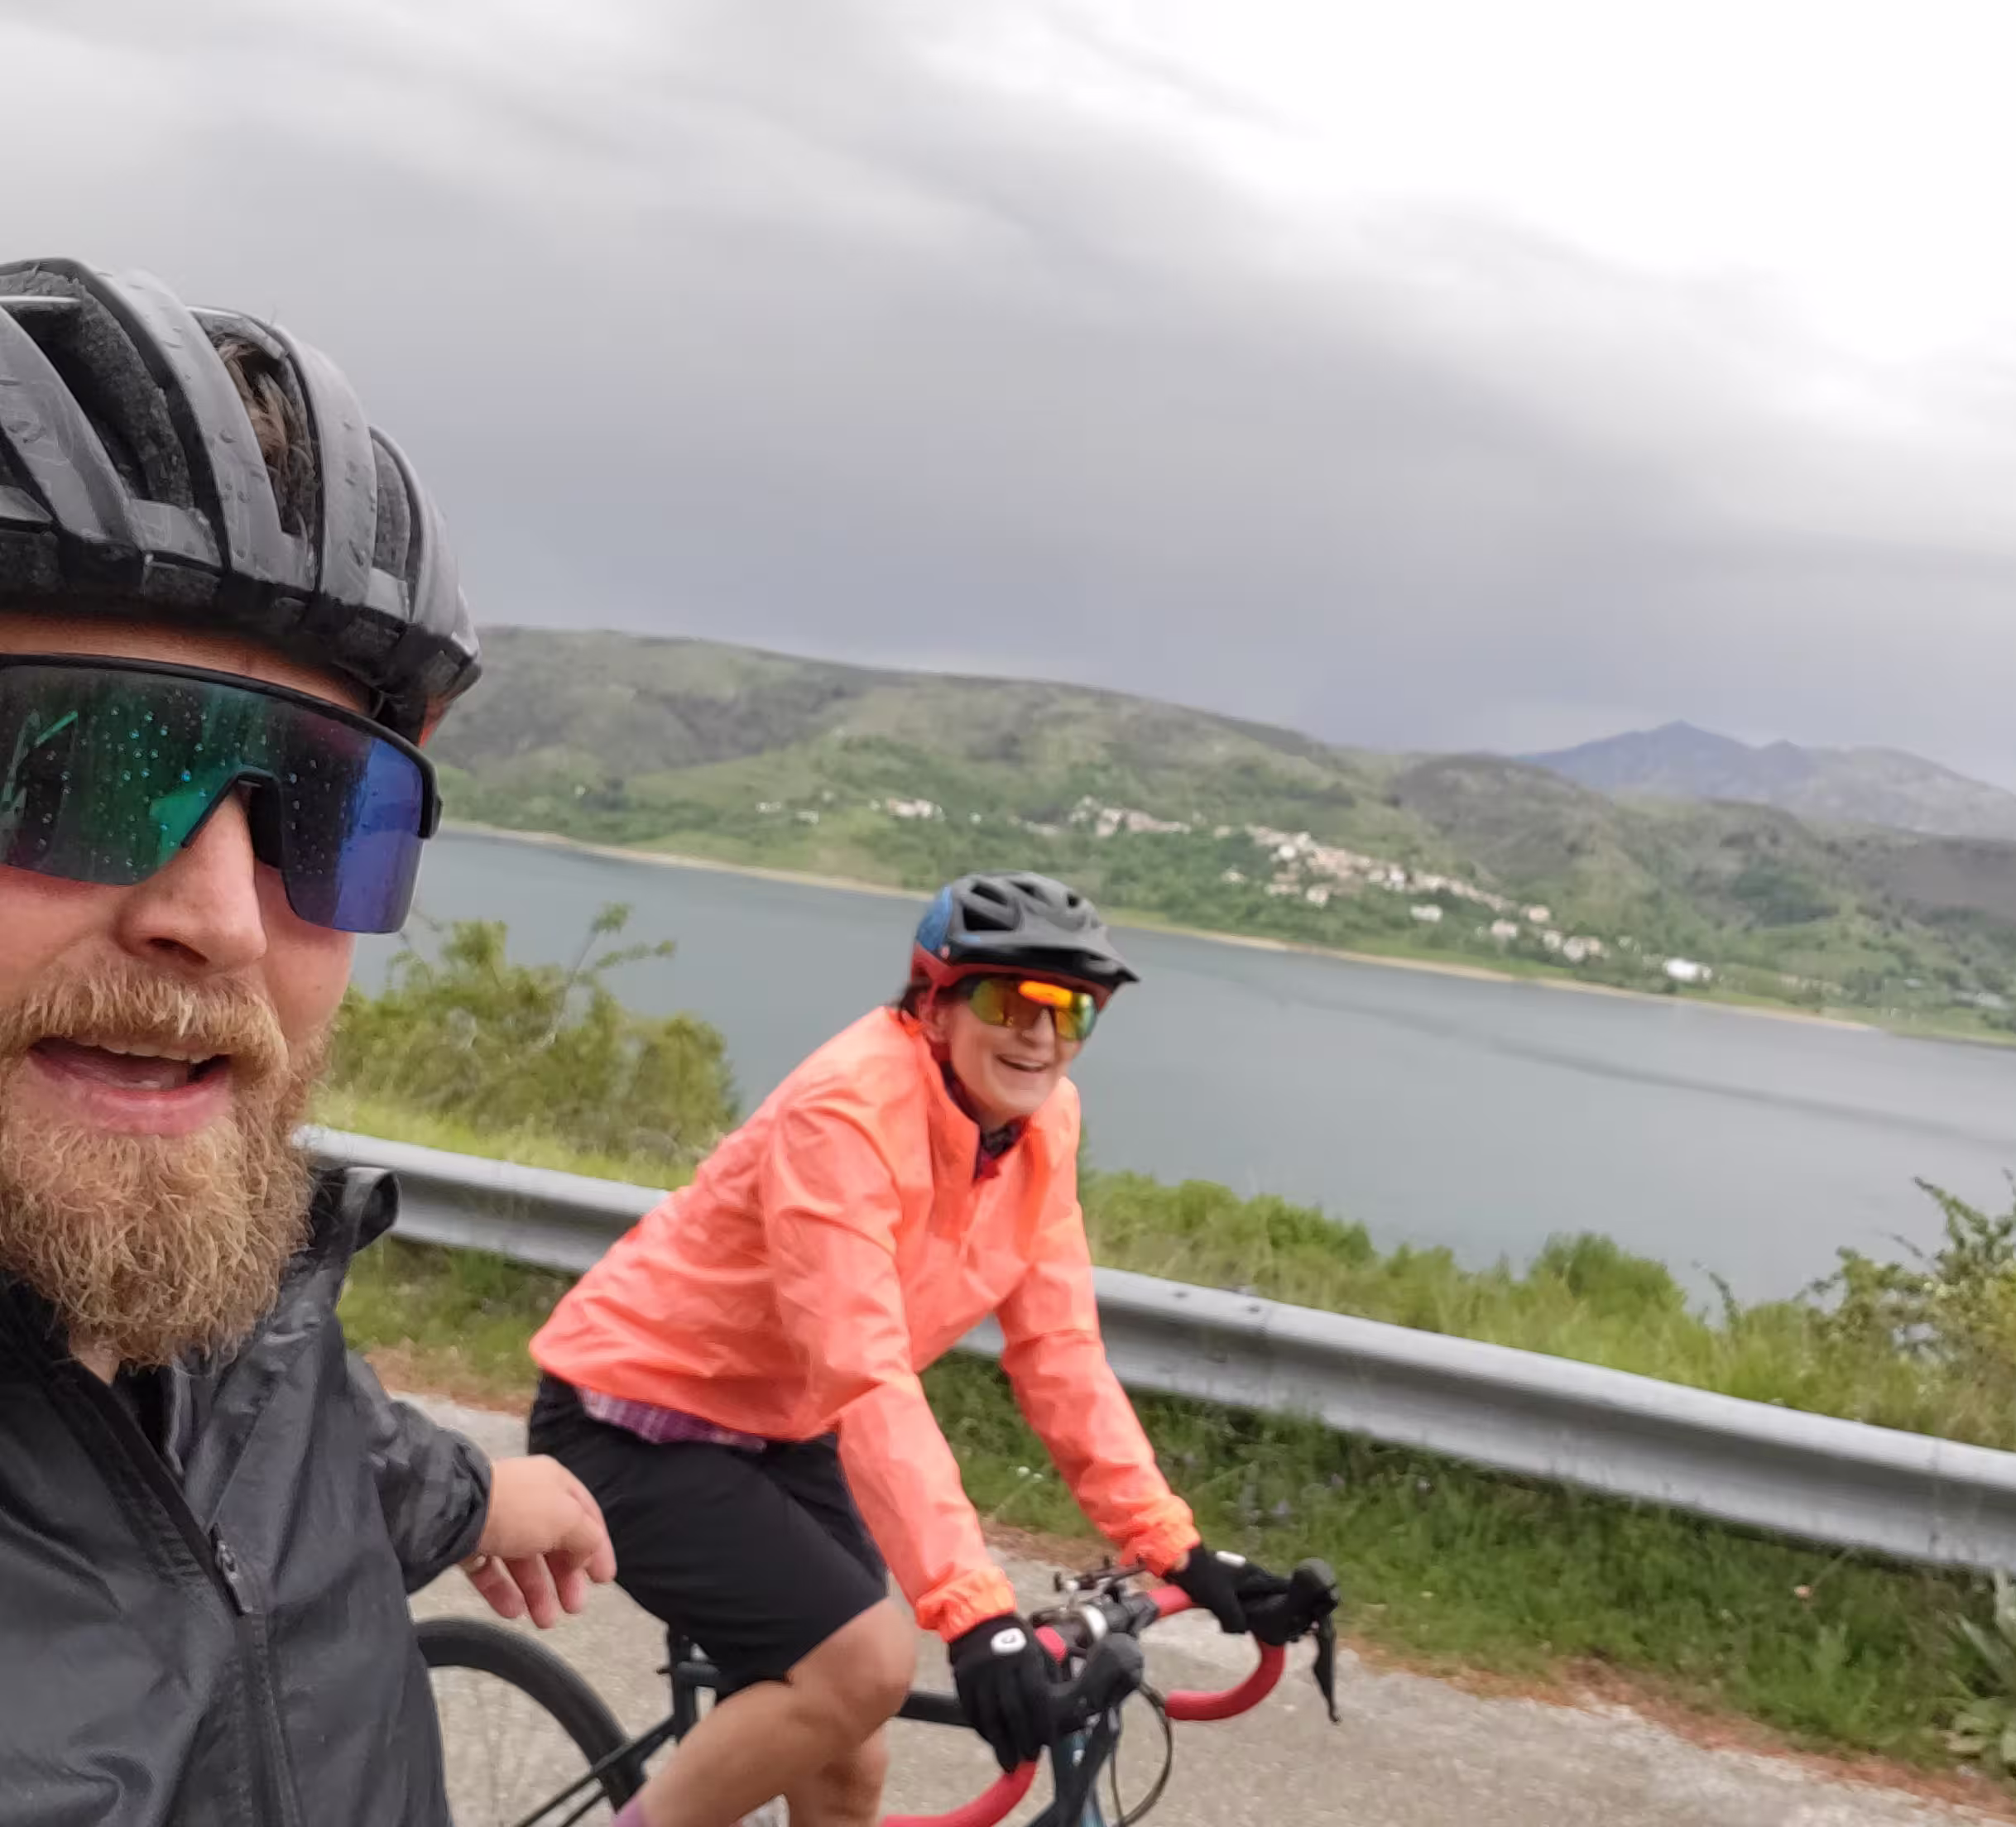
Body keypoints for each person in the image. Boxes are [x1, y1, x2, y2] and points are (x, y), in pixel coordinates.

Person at [0, 257, 617, 1826]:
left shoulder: (218, 1297)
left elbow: (281, 1426)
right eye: (68, 768)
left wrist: (480, 1492)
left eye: (326, 810)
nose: (220, 918)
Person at [526, 870, 1317, 1827]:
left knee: (849, 1760)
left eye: (1072, 1011)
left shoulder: (1043, 1125)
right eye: (1010, 1001)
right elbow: (862, 1368)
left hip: (781, 1424)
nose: (1042, 1035)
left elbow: (1060, 1350)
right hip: (630, 1418)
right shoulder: (846, 1110)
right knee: (865, 1668)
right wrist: (974, 1609)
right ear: (934, 1005)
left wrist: (1173, 1546)